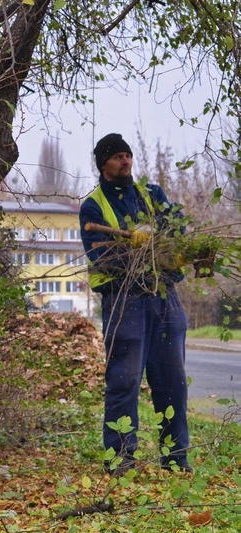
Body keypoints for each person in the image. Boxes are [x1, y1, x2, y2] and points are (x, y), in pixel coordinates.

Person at [80, 132, 189, 476]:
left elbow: (177, 232)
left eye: (128, 155)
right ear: (103, 164)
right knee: (124, 382)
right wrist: (139, 251)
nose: (126, 161)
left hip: (164, 299)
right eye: (117, 157)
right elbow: (105, 259)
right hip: (124, 302)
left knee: (172, 382)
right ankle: (120, 461)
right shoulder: (93, 207)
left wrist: (160, 245)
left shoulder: (152, 195)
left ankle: (175, 458)